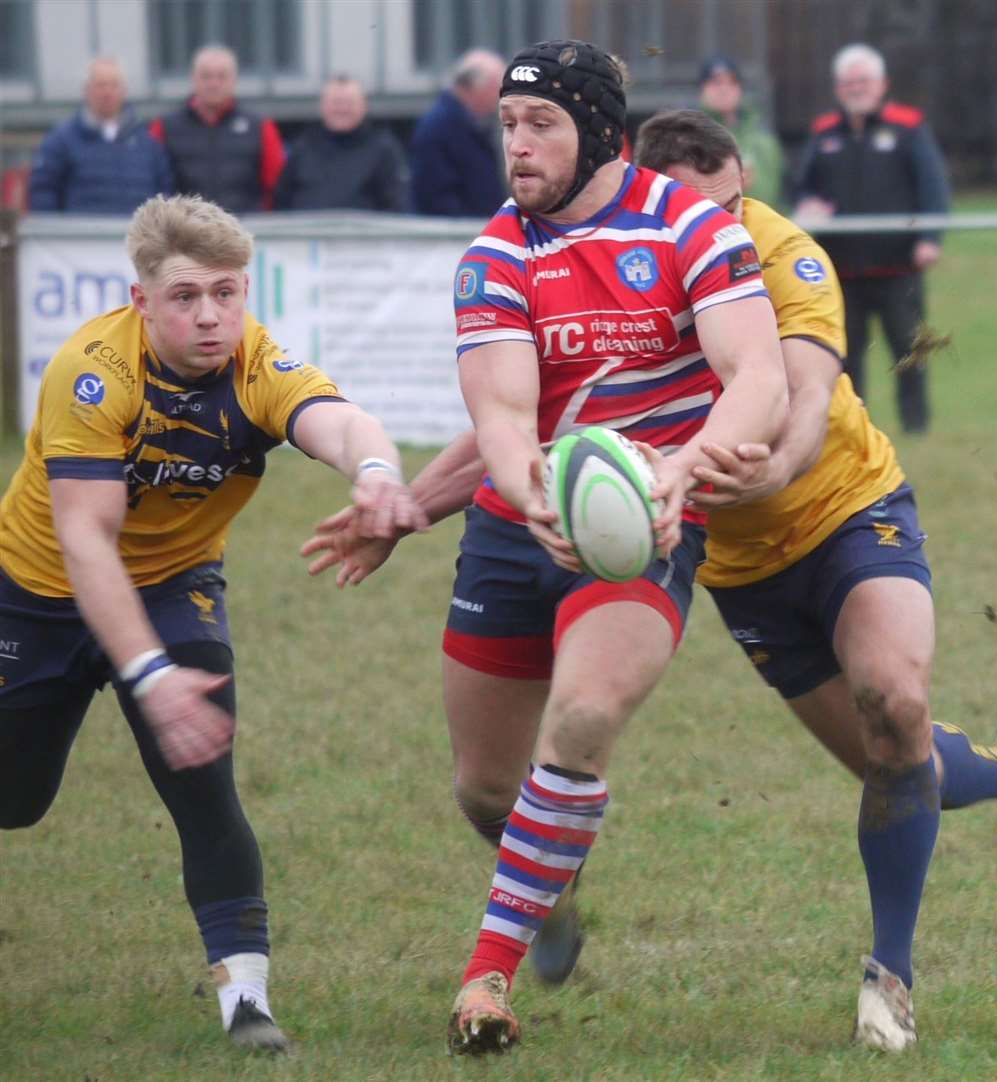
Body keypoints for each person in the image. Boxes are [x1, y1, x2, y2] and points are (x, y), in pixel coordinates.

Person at [304, 107, 997, 1055]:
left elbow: (798, 404)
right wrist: (412, 507)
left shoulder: (782, 257)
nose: (717, 231)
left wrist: (763, 463)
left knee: (896, 704)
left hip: (845, 516)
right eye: (693, 211)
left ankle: (891, 976)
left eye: (731, 207)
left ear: (745, 184)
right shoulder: (625, 252)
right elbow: (533, 414)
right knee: (885, 758)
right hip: (739, 568)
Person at [315, 37, 789, 1055]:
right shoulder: (496, 251)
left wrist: (682, 470)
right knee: (487, 787)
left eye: (542, 126)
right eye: (509, 128)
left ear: (603, 134)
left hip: (648, 520)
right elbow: (500, 407)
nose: (518, 148)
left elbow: (757, 375)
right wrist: (528, 488)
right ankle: (553, 881)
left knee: (578, 718)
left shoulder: (690, 229)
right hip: (514, 521)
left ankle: (486, 973)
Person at [0, 194, 426, 1053]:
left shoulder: (255, 360)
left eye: (228, 294)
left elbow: (335, 420)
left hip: (173, 584)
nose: (211, 317)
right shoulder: (92, 372)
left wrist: (377, 471)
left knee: (204, 775)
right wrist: (149, 677)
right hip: (39, 593)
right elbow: (86, 543)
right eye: (188, 296)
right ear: (141, 300)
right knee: (16, 800)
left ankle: (246, 1002)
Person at [793, 43, 950, 434]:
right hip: (842, 269)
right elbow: (801, 188)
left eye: (863, 81)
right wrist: (807, 207)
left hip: (898, 266)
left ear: (881, 84)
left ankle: (917, 426)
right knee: (844, 356)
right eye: (847, 82)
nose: (855, 88)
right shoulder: (824, 133)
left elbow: (933, 188)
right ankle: (852, 427)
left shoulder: (908, 127)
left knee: (909, 350)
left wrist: (929, 238)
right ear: (837, 87)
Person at [150, 45, 286, 213]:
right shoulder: (164, 127)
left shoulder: (261, 127)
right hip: (185, 233)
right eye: (206, 76)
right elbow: (153, 186)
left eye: (222, 77)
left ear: (234, 80)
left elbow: (277, 186)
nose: (213, 83)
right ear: (193, 78)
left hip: (243, 231)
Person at [29, 57, 174, 213]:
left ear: (124, 91)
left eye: (113, 85)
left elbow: (165, 193)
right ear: (86, 90)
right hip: (80, 236)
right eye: (100, 85)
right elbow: (44, 193)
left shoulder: (148, 144)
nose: (107, 92)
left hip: (137, 235)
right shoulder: (60, 141)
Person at [273, 75, 408, 212]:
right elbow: (281, 201)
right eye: (336, 102)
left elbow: (397, 206)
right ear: (322, 106)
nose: (342, 109)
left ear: (363, 106)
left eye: (349, 103)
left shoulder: (384, 151)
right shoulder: (302, 149)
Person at [409, 49, 506, 217]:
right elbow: (435, 196)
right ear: (478, 88)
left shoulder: (472, 124)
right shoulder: (439, 129)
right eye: (497, 88)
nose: (501, 97)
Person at [698, 53, 783, 207]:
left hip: (762, 225)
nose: (725, 89)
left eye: (732, 82)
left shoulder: (764, 138)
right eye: (716, 82)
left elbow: (783, 193)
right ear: (702, 89)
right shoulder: (691, 136)